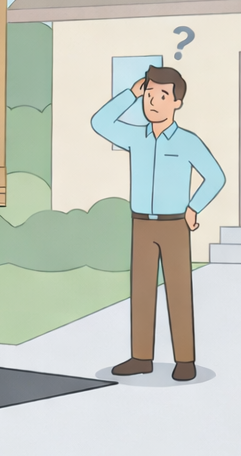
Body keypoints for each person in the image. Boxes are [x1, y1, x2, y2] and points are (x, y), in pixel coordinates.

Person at [91, 66, 225, 381]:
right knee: (141, 291)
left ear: (177, 102)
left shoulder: (188, 141)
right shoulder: (136, 136)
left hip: (175, 226)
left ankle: (185, 361)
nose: (152, 101)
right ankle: (141, 358)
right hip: (142, 225)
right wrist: (130, 93)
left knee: (178, 291)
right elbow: (100, 122)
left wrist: (194, 207)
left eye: (162, 95)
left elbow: (215, 176)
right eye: (149, 93)